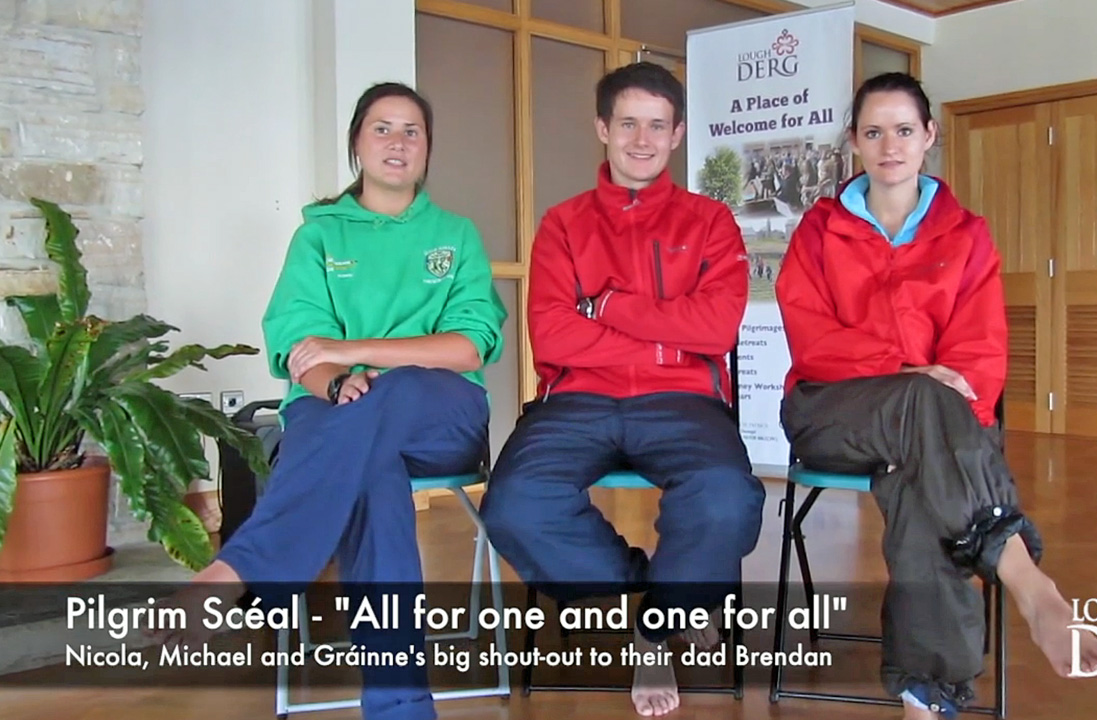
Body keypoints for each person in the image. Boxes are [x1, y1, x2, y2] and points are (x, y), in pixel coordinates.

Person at [154, 82, 507, 720]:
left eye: (411, 131)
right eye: (382, 129)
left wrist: (353, 354)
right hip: (335, 408)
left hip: (441, 412)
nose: (397, 143)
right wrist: (333, 381)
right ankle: (399, 705)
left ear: (428, 149)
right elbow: (297, 346)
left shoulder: (455, 235)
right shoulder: (318, 238)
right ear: (356, 144)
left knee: (387, 398)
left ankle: (243, 568)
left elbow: (469, 347)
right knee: (371, 463)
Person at [775, 72, 1097, 720]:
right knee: (925, 411)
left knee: (920, 468)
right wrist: (910, 370)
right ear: (854, 142)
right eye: (873, 131)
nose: (890, 145)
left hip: (932, 431)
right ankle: (1022, 574)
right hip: (832, 411)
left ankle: (924, 696)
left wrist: (928, 384)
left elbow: (981, 355)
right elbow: (814, 341)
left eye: (904, 130)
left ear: (928, 136)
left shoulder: (966, 235)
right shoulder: (819, 233)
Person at [479, 62, 764, 718]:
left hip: (684, 401)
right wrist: (667, 336)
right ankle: (658, 596)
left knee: (726, 500)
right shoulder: (563, 224)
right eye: (628, 122)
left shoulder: (711, 221)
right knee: (515, 507)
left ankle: (655, 631)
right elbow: (552, 337)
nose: (643, 138)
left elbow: (716, 327)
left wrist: (604, 306)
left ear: (678, 134)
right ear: (602, 128)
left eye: (658, 125)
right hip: (576, 400)